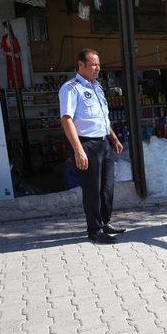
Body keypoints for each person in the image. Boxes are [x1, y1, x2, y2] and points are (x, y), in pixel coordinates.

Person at [59, 49, 126, 243]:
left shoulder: (97, 87)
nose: (97, 68)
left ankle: (105, 222)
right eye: (93, 65)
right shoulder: (71, 88)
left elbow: (102, 118)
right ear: (81, 65)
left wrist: (113, 137)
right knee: (92, 189)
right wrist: (79, 150)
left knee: (107, 187)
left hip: (104, 143)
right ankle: (94, 230)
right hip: (86, 144)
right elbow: (66, 119)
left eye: (98, 64)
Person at [0, 20, 25, 90]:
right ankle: (12, 91)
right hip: (9, 61)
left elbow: (19, 51)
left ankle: (19, 90)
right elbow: (3, 52)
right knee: (10, 76)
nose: (4, 29)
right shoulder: (3, 38)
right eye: (4, 28)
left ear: (9, 28)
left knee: (18, 76)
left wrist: (17, 55)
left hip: (16, 61)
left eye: (5, 28)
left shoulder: (14, 38)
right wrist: (10, 54)